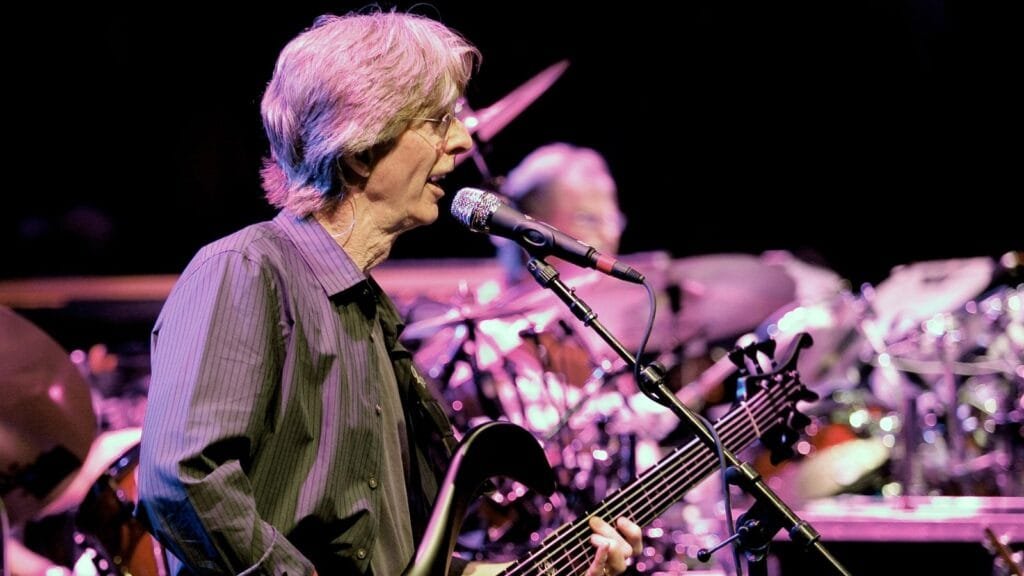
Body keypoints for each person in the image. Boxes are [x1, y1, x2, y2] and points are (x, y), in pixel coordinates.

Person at [135, 10, 641, 576]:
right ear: (359, 148)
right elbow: (182, 480)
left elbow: (401, 561)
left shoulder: (373, 316)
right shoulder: (247, 270)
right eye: (437, 120)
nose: (461, 140)